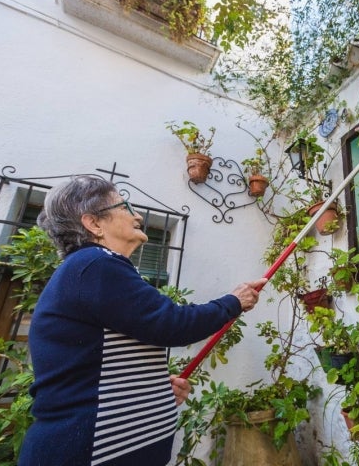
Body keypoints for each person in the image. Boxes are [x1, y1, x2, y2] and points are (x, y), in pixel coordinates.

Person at [18, 175, 266, 466]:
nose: (136, 215)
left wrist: (154, 391)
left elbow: (97, 361)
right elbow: (171, 324)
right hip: (85, 451)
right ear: (94, 223)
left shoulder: (89, 268)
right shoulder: (96, 264)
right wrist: (233, 302)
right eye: (125, 206)